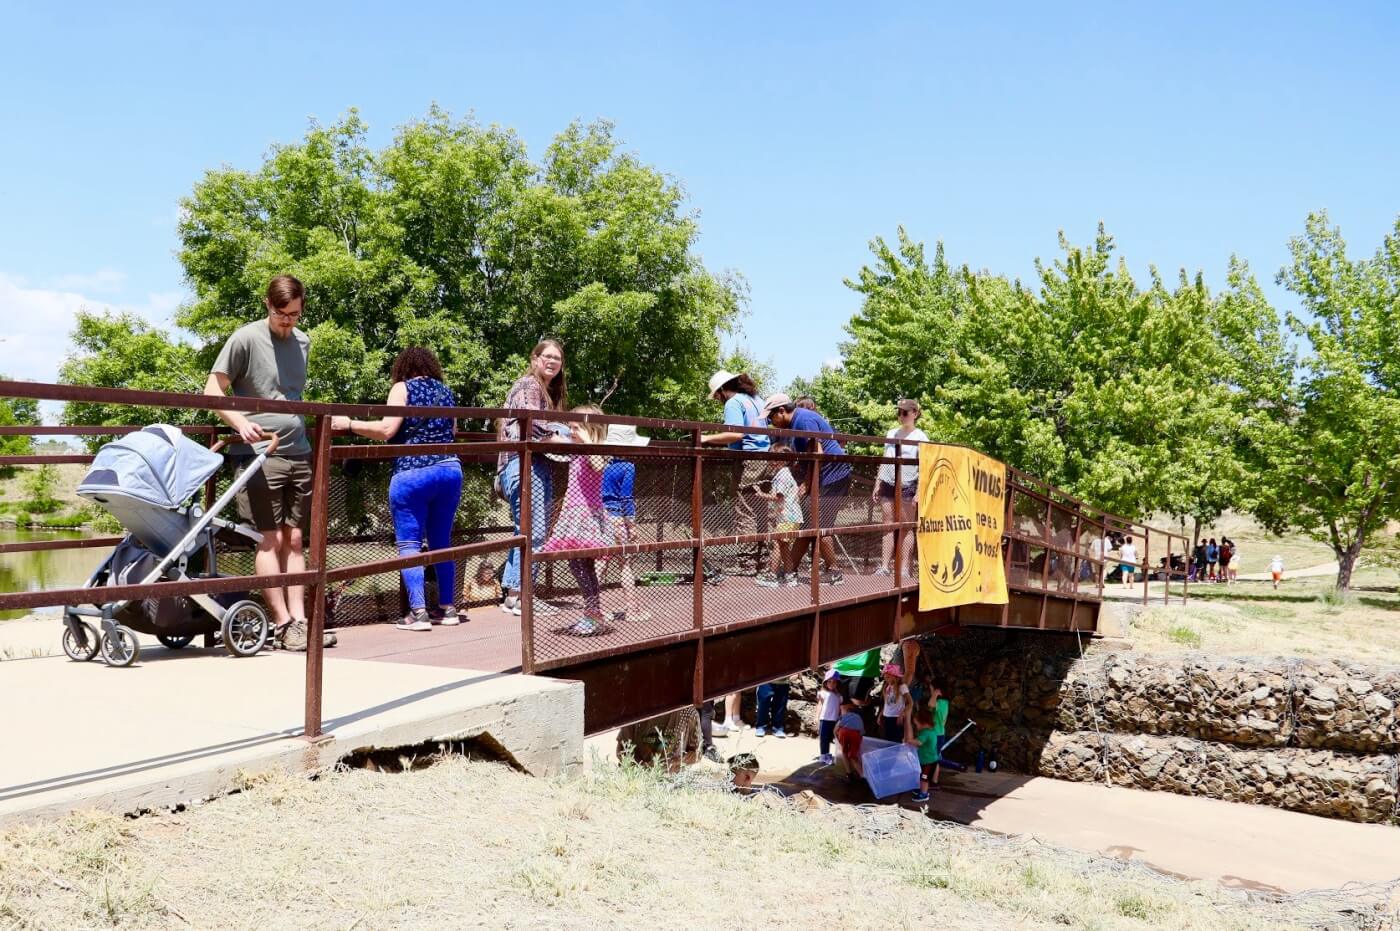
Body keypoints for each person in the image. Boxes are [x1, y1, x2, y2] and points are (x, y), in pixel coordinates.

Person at [204, 275, 333, 652]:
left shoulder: (304, 341)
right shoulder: (244, 338)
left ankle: (302, 620)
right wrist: (240, 423)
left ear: (302, 308)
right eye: (281, 314)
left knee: (294, 538)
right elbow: (212, 390)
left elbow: (290, 394)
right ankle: (282, 623)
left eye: (293, 314)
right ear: (267, 305)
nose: (287, 321)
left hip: (299, 450)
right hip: (259, 454)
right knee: (269, 538)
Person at [331, 347, 464, 631]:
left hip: (412, 472)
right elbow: (452, 432)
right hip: (449, 470)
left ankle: (418, 613)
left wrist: (350, 424)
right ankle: (448, 608)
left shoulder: (402, 388)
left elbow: (386, 430)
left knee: (409, 543)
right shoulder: (445, 391)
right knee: (442, 541)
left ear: (403, 367)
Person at [497, 339, 569, 618]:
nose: (552, 362)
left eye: (557, 359)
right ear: (535, 358)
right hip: (524, 465)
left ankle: (514, 596)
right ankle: (523, 596)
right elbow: (535, 423)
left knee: (525, 531)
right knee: (535, 532)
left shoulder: (544, 389)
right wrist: (564, 437)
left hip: (529, 465)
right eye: (547, 356)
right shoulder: (529, 385)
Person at [762, 393, 852, 585]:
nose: (771, 422)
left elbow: (816, 454)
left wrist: (808, 484)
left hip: (832, 475)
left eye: (771, 418)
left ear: (781, 411)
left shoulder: (804, 420)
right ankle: (790, 569)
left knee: (820, 525)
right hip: (821, 475)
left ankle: (834, 571)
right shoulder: (794, 424)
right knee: (806, 524)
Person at [539, 405, 611, 636]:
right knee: (579, 564)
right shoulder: (578, 450)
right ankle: (593, 614)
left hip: (586, 514)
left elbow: (599, 465)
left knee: (581, 564)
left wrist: (586, 439)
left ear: (591, 429)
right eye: (571, 427)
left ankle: (593, 615)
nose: (572, 432)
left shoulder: (596, 450)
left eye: (576, 427)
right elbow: (557, 448)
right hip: (574, 512)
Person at [601, 423, 651, 623]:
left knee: (600, 563)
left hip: (599, 517)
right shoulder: (628, 466)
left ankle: (594, 608)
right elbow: (626, 497)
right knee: (625, 564)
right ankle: (632, 610)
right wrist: (631, 525)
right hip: (616, 517)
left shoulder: (602, 465)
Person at [874, 399, 928, 577]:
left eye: (905, 412)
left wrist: (919, 492)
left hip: (908, 485)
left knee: (905, 527)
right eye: (899, 412)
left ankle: (904, 569)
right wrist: (878, 483)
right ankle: (884, 567)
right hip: (889, 483)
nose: (901, 416)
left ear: (915, 413)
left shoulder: (921, 437)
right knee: (887, 526)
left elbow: (925, 468)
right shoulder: (892, 433)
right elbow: (885, 459)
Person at [753, 443, 802, 587]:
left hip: (787, 516)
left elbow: (778, 497)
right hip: (791, 517)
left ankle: (772, 576)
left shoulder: (782, 476)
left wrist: (762, 494)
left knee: (777, 543)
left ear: (783, 460)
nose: (771, 462)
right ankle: (789, 575)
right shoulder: (785, 474)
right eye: (771, 459)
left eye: (775, 459)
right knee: (784, 546)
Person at [908, 706, 940, 802]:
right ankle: (922, 789)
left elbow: (919, 743)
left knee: (924, 779)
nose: (916, 726)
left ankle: (924, 794)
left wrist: (910, 741)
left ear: (923, 722)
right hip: (929, 760)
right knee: (923, 777)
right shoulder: (931, 730)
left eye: (916, 724)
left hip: (928, 762)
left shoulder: (925, 733)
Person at [879, 663, 911, 742]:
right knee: (888, 739)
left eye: (888, 677)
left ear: (895, 677)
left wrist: (902, 714)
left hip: (896, 718)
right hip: (887, 717)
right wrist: (880, 714)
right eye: (885, 677)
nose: (886, 679)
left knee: (896, 740)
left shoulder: (902, 687)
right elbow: (887, 703)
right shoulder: (887, 687)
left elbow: (910, 703)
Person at [835, 697, 865, 783]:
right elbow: (861, 733)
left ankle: (849, 774)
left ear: (847, 710)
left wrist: (839, 741)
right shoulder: (859, 718)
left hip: (843, 732)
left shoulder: (844, 716)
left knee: (844, 752)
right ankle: (862, 775)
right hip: (856, 734)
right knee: (853, 756)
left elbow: (836, 729)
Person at [816, 669, 842, 765]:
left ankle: (827, 754)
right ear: (825, 682)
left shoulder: (839, 696)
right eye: (829, 681)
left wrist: (840, 718)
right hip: (824, 719)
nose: (832, 684)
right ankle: (823, 755)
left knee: (831, 738)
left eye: (834, 682)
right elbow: (819, 705)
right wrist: (817, 717)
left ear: (837, 683)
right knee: (824, 738)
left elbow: (840, 709)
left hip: (834, 720)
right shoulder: (823, 693)